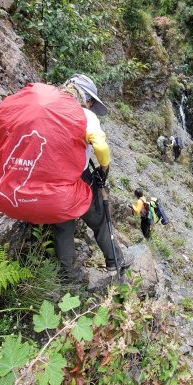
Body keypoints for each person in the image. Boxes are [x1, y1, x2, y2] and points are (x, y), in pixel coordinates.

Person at [53, 74, 133, 279]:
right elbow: (100, 146)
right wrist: (104, 168)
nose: (89, 105)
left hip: (52, 181)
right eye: (90, 100)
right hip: (78, 179)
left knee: (64, 228)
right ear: (84, 96)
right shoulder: (84, 115)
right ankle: (115, 261)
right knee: (99, 220)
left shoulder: (50, 111)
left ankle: (68, 275)